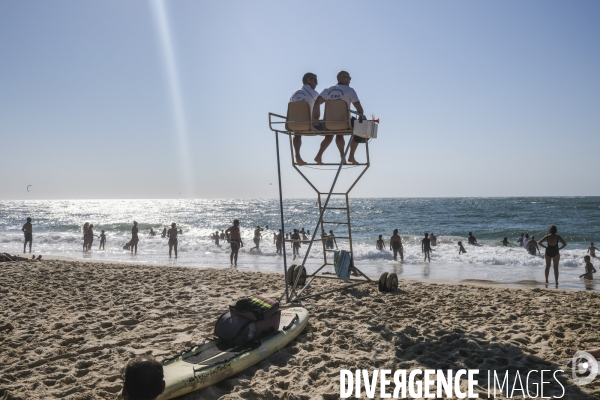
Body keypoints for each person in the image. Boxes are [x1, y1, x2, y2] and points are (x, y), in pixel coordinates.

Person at [312, 71, 366, 165]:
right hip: (344, 122)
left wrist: (315, 117)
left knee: (334, 133)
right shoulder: (350, 90)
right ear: (343, 78)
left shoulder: (327, 90)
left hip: (328, 123)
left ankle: (321, 155)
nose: (349, 81)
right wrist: (361, 116)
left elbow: (317, 102)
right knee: (361, 126)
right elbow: (360, 110)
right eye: (349, 78)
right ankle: (351, 156)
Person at [289, 72, 320, 166]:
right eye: (315, 80)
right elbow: (317, 110)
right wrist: (316, 119)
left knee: (297, 133)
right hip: (310, 125)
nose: (316, 83)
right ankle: (319, 156)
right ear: (308, 80)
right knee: (332, 131)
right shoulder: (314, 93)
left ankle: (297, 156)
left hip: (294, 124)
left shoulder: (294, 93)